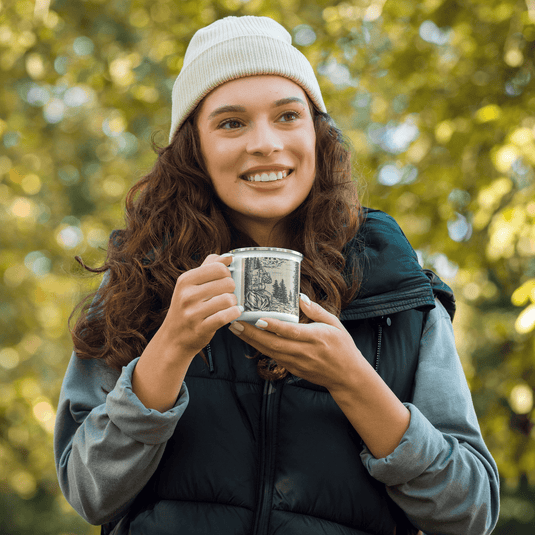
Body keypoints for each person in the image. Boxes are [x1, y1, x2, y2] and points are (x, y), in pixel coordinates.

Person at [54, 15, 500, 535]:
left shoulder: (396, 292)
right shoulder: (138, 283)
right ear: (193, 149)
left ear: (318, 134)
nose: (265, 143)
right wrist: (170, 347)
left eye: (288, 116)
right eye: (231, 122)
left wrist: (352, 380)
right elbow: (89, 493)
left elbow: (471, 512)